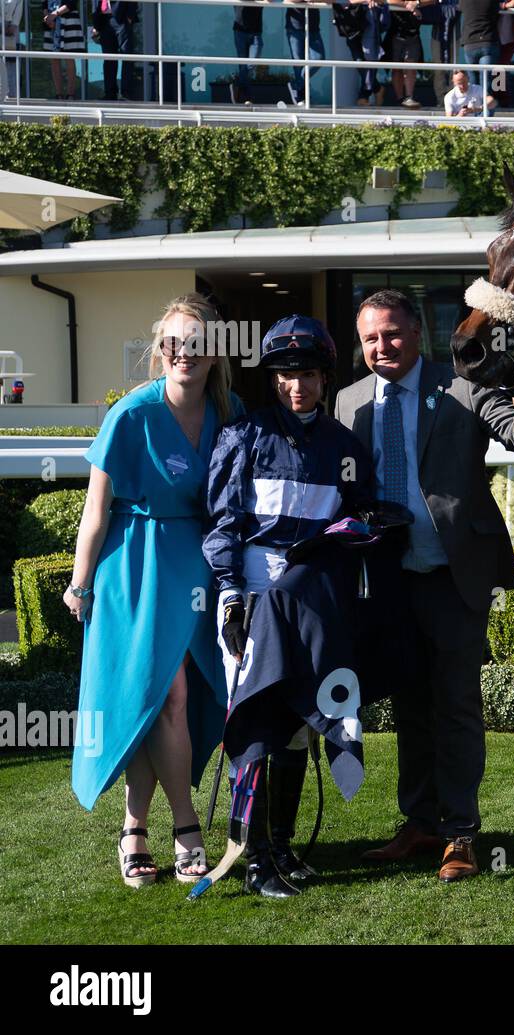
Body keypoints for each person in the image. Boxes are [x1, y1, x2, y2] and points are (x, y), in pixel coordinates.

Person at [336, 289, 514, 881]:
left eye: (392, 333)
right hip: (386, 581)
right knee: (408, 706)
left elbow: (512, 429)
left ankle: (461, 832)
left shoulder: (462, 388)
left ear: (418, 332)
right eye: (370, 337)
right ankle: (418, 823)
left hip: (453, 575)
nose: (381, 346)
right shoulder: (347, 403)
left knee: (457, 707)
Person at [66, 294, 243, 887]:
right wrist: (79, 583)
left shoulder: (232, 412)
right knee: (163, 696)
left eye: (196, 343)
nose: (183, 353)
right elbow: (96, 512)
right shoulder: (130, 415)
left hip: (200, 570)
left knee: (171, 701)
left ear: (214, 352)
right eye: (173, 342)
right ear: (159, 349)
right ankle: (186, 827)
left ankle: (132, 826)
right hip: (134, 569)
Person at [204, 315, 373, 897]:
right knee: (256, 720)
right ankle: (251, 860)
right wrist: (229, 598)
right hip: (251, 597)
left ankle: (282, 846)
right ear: (271, 379)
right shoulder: (243, 438)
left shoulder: (346, 448)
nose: (295, 386)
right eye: (283, 375)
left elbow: (356, 520)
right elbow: (225, 524)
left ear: (325, 378)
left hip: (312, 598)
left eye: (305, 375)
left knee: (303, 723)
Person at [90, 1, 140, 102]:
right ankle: (110, 93)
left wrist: (129, 16)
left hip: (121, 18)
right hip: (103, 20)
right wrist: (95, 24)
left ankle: (126, 93)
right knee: (109, 59)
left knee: (127, 56)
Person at [459, 0, 499, 114]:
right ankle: (486, 117)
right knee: (487, 84)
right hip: (488, 41)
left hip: (470, 42)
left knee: (473, 85)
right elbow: (498, 8)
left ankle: (475, 117)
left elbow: (460, 8)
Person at [284, 4, 326, 106]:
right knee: (298, 62)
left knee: (319, 58)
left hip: (313, 27)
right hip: (295, 27)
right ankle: (302, 97)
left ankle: (297, 84)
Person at [43, 1, 85, 101]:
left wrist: (54, 14)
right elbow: (44, 3)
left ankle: (71, 94)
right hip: (51, 23)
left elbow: (72, 3)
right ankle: (59, 94)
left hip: (68, 21)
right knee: (54, 58)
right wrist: (48, 18)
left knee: (69, 57)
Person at [387, 0, 424, 108]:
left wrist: (417, 2)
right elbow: (387, 0)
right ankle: (400, 99)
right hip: (396, 32)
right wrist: (407, 5)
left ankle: (409, 97)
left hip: (413, 34)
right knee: (396, 67)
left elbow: (432, 1)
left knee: (411, 66)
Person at [231, 2, 262, 106]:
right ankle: (247, 98)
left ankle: (237, 84)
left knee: (251, 64)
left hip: (256, 30)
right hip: (240, 30)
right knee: (243, 65)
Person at [1, 0, 21, 102]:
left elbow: (18, 5)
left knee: (10, 62)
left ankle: (11, 95)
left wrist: (14, 24)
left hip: (10, 28)